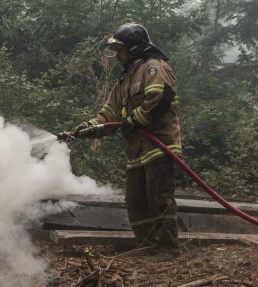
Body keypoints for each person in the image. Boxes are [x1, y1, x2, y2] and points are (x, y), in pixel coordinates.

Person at [67, 23, 183, 247]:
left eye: (120, 50)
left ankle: (168, 250)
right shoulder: (123, 83)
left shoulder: (153, 67)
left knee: (159, 198)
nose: (118, 56)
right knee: (135, 203)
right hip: (136, 153)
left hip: (160, 147)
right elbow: (107, 115)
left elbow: (159, 97)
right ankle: (148, 249)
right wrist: (87, 128)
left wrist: (135, 118)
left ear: (134, 47)